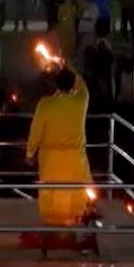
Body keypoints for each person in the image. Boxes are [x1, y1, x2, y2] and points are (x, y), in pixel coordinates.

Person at [27, 66, 91, 226]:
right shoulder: (81, 101)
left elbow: (36, 131)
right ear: (73, 85)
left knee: (50, 192)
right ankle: (76, 227)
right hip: (76, 158)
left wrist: (30, 153)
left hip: (51, 158)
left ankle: (51, 228)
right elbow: (82, 86)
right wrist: (71, 67)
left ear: (56, 84)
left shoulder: (45, 104)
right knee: (76, 192)